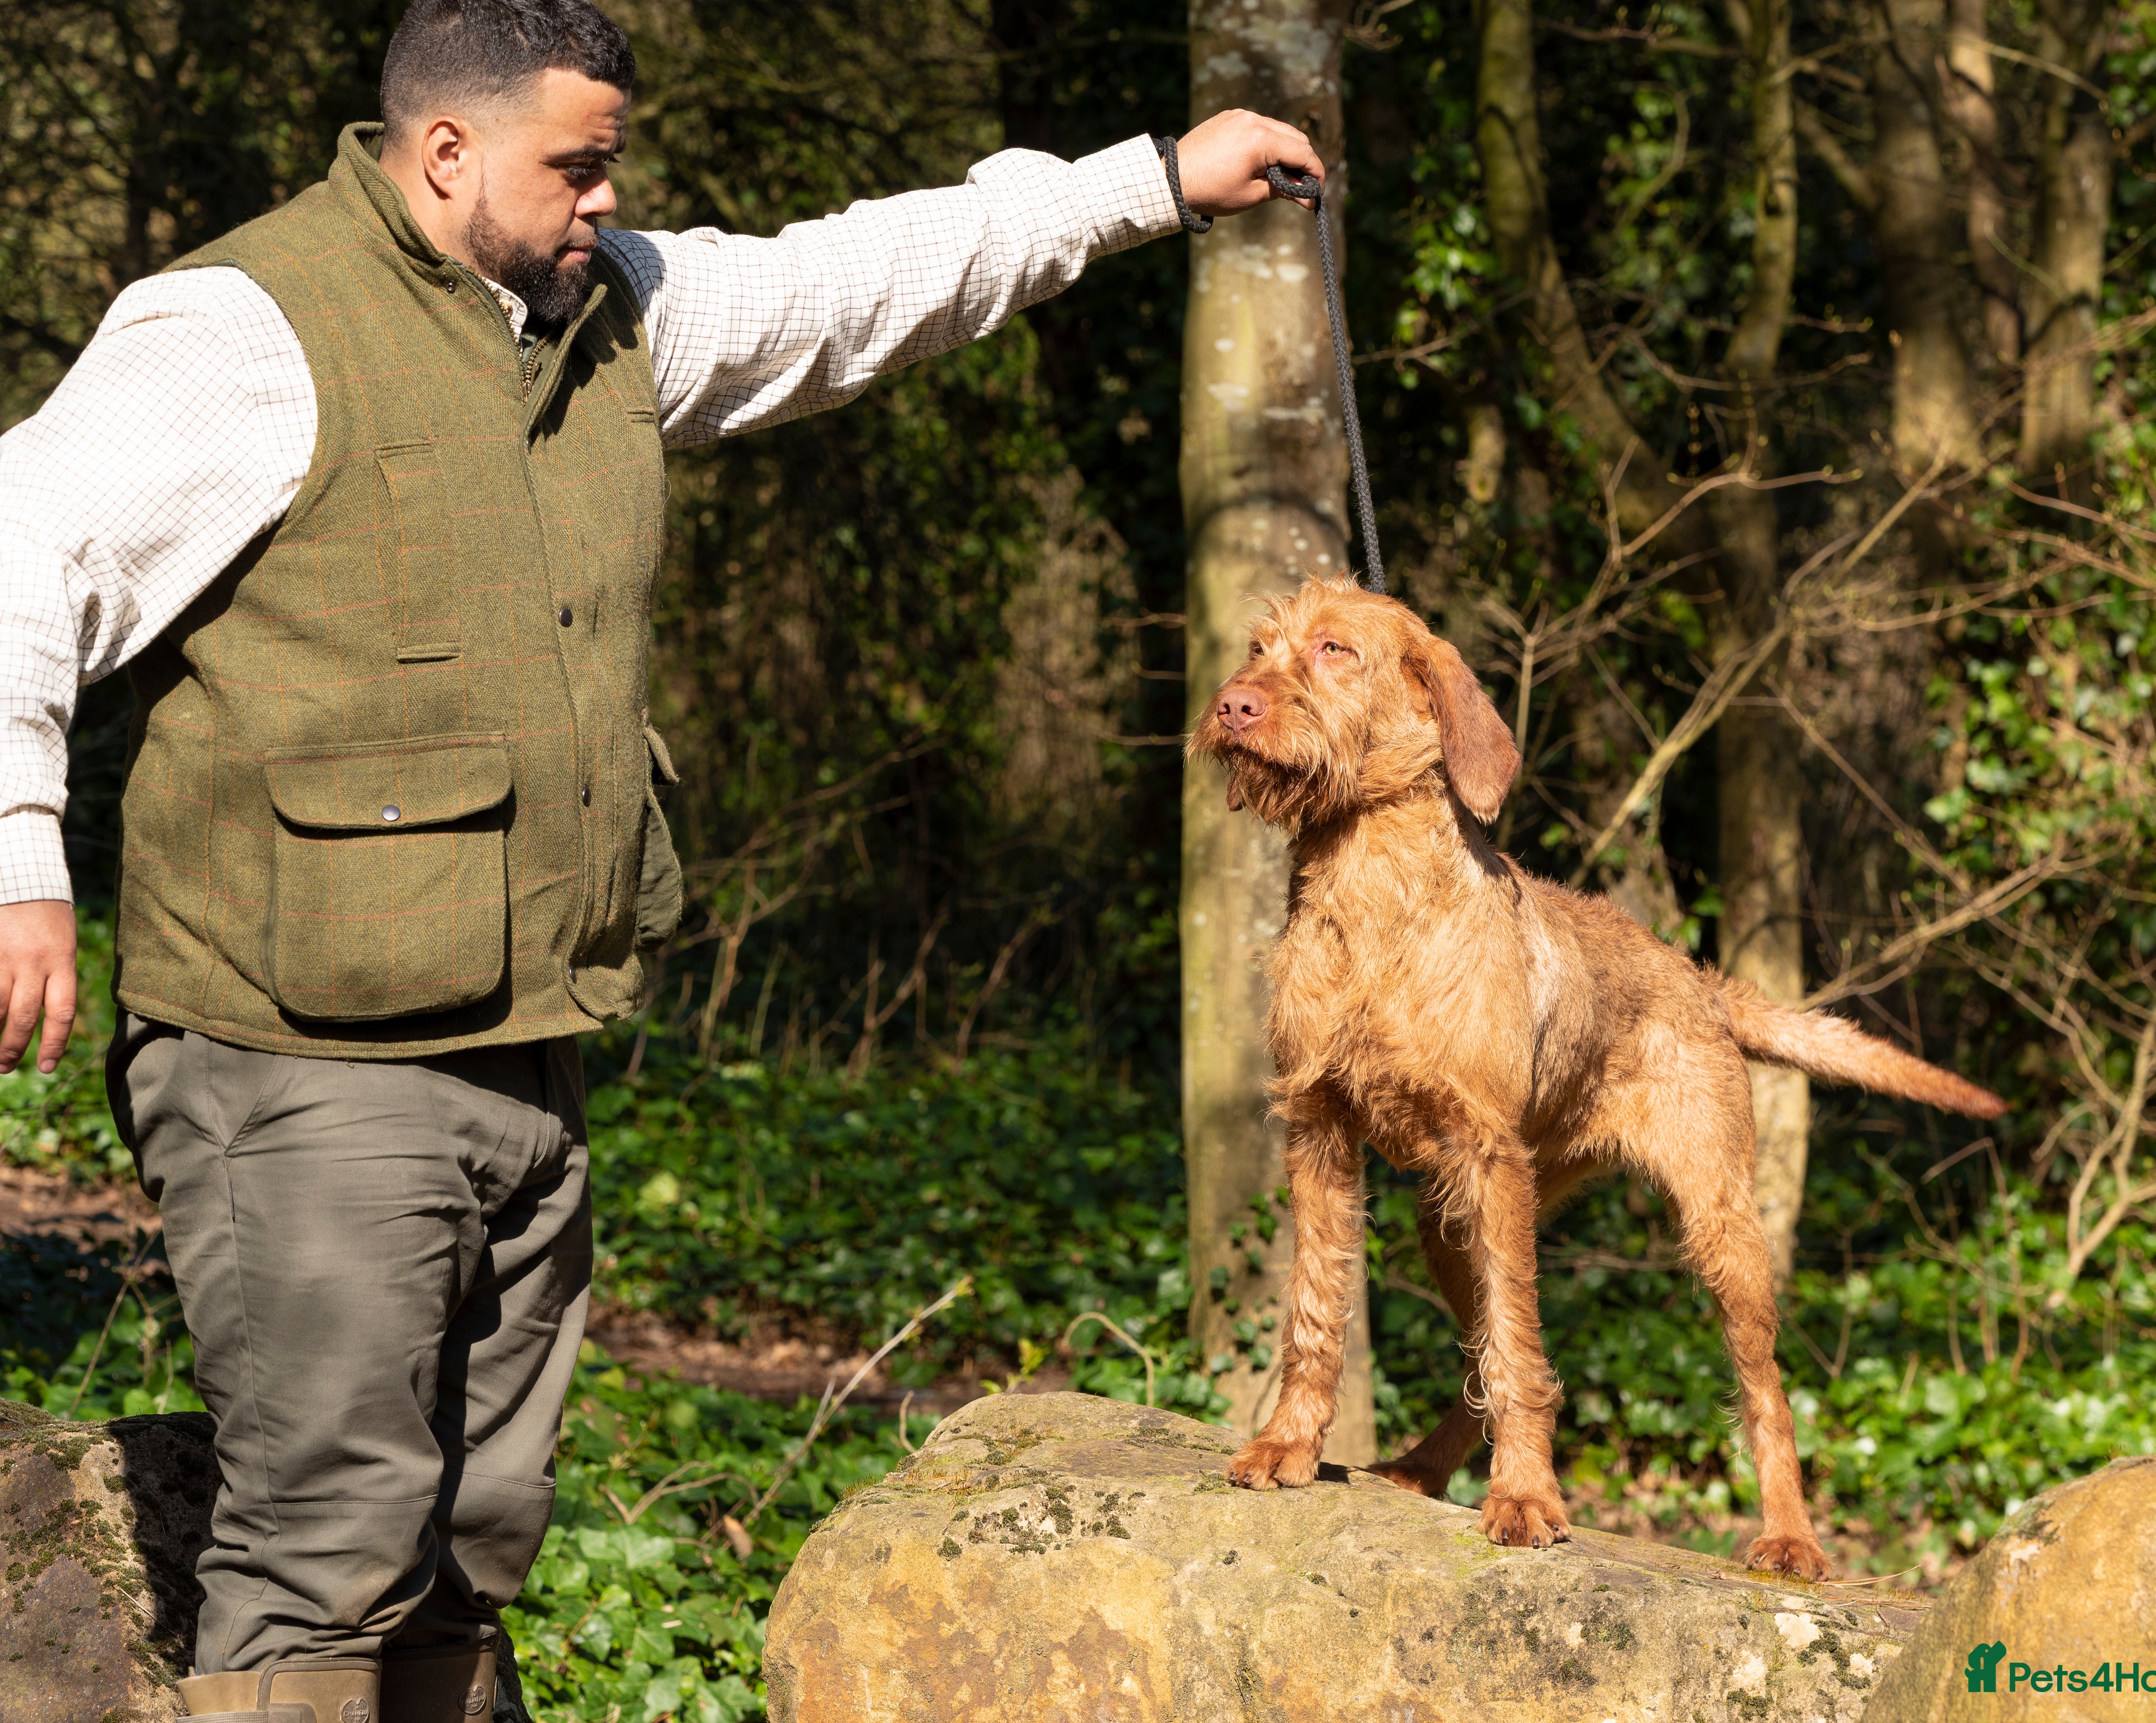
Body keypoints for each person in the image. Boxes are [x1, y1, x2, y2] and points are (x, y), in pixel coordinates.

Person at [0, 2, 1322, 1717]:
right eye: (578, 163)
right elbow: (22, 550)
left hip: (524, 1044)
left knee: (473, 1536)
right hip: (296, 1058)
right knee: (322, 1546)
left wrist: (1144, 182)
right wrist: (19, 851)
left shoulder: (598, 308)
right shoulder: (244, 332)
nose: (602, 197)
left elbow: (850, 286)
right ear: (447, 152)